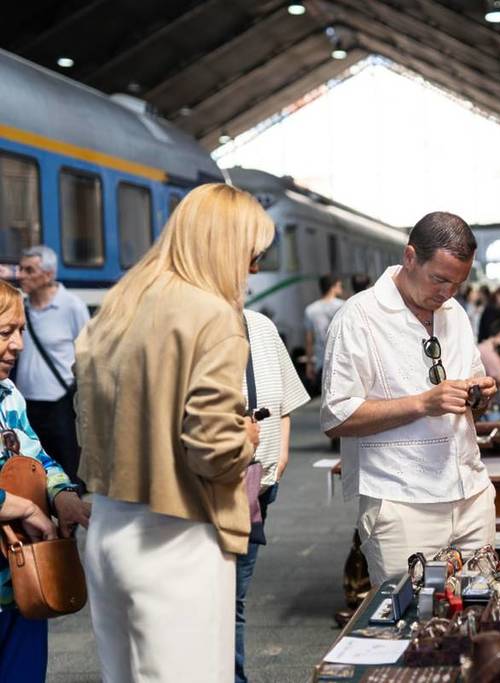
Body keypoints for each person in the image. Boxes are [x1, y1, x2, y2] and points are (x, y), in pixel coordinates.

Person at [76, 183, 271, 681]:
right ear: (226, 245)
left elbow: (87, 418)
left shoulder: (119, 306)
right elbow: (213, 450)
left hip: (108, 528)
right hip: (180, 534)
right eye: (252, 253)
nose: (253, 269)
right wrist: (247, 437)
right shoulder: (213, 317)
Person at [321, 211, 498, 587]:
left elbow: (471, 392)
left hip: (472, 494)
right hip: (401, 505)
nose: (447, 293)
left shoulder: (456, 314)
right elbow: (336, 417)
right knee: (411, 630)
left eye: (457, 284)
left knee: (481, 617)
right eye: (439, 279)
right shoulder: (359, 318)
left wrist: (479, 397)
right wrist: (422, 403)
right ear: (410, 257)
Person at [0, 278, 90, 683]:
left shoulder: (10, 396)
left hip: (20, 583)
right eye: (5, 333)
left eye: (20, 331)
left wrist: (63, 495)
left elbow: (37, 456)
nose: (18, 345)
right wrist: (21, 506)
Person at [235, 307, 309, 683]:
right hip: (208, 489)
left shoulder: (261, 326)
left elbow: (284, 403)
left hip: (256, 484)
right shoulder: (184, 326)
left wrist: (279, 456)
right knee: (213, 600)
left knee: (234, 598)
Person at [15, 245, 90, 486]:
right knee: (32, 469)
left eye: (29, 270)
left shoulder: (71, 306)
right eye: (20, 269)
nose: (21, 275)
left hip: (60, 403)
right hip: (26, 404)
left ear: (48, 274)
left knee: (65, 468)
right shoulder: (21, 307)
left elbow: (88, 352)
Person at [304, 275, 345, 391]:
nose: (341, 288)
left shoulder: (310, 310)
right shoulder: (344, 305)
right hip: (342, 359)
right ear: (333, 287)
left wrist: (309, 364)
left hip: (322, 362)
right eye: (339, 285)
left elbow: (309, 340)